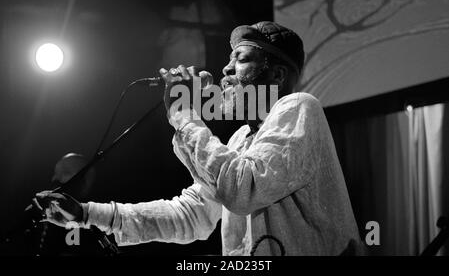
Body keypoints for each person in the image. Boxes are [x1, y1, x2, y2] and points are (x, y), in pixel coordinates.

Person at [34, 21, 363, 255]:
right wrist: (87, 214)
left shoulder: (300, 107)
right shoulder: (239, 142)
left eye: (242, 59)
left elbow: (242, 189)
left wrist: (185, 115)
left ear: (276, 74)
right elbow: (190, 216)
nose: (226, 70)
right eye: (229, 59)